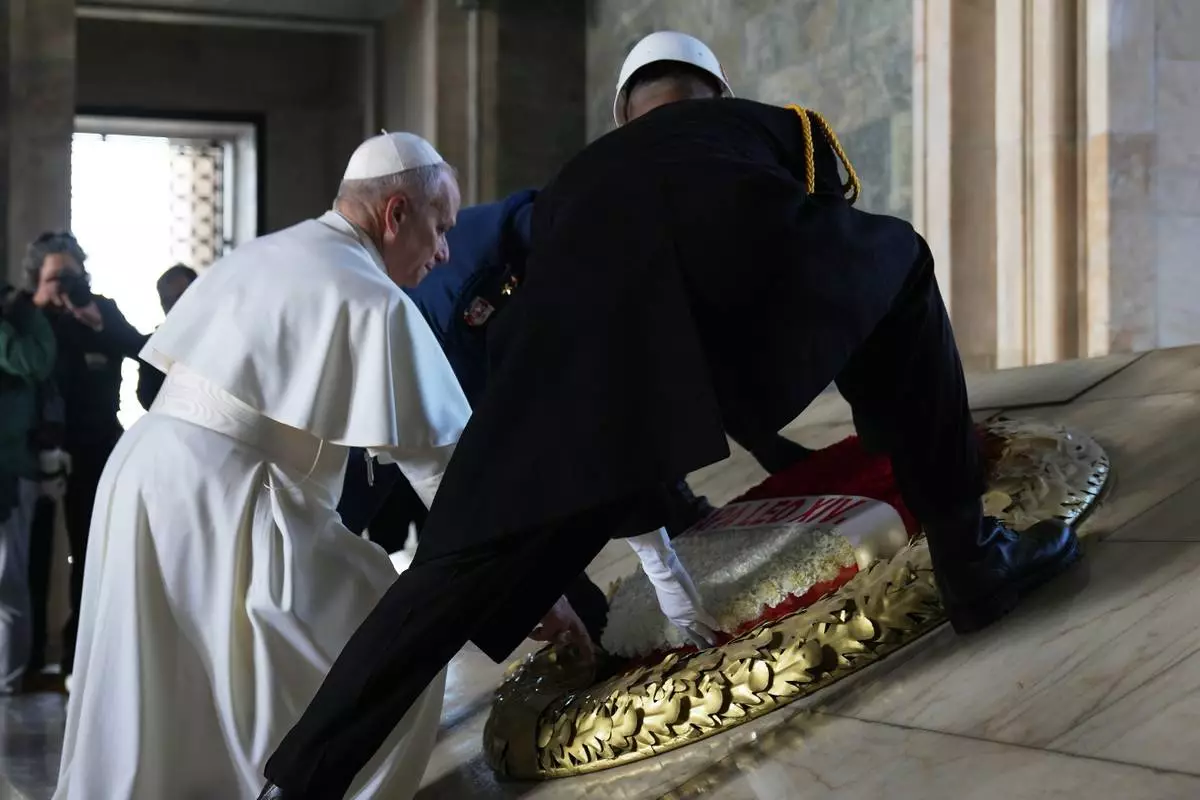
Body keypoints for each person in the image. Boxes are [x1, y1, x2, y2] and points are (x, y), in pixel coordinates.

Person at [260, 33, 1082, 799]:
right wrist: (886, 425)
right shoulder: (772, 126)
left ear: (623, 115)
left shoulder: (577, 180)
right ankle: (972, 564)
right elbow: (826, 258)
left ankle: (296, 784)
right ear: (719, 92)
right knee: (899, 263)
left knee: (442, 582)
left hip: (580, 386)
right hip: (734, 332)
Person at [55, 132, 469, 800]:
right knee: (381, 632)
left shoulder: (264, 252)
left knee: (153, 689)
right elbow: (446, 472)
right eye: (440, 226)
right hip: (220, 494)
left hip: (144, 473)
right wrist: (532, 594)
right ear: (396, 213)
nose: (445, 250)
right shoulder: (371, 295)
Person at [25, 232, 148, 683]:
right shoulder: (29, 316)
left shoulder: (101, 310)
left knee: (88, 552)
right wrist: (37, 307)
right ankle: (30, 657)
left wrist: (97, 324)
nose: (65, 285)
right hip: (37, 450)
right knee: (33, 555)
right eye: (55, 277)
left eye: (72, 276)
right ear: (37, 279)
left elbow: (142, 349)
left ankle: (78, 657)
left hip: (96, 446)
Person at [0, 283, 56, 694]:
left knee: (8, 581)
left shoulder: (24, 319)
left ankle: (7, 682)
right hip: (11, 467)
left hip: (12, 469)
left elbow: (33, 362)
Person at [135, 263, 198, 410]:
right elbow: (147, 396)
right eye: (167, 301)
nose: (174, 306)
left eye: (180, 297)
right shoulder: (156, 347)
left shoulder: (224, 332)